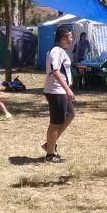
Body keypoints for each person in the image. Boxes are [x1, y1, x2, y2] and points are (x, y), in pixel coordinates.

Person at [42, 25, 75, 163]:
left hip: (60, 91)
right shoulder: (56, 51)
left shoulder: (61, 50)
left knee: (70, 115)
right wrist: (67, 89)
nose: (72, 39)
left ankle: (49, 144)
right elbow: (55, 71)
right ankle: (50, 155)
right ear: (63, 38)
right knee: (55, 122)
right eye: (70, 37)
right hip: (55, 91)